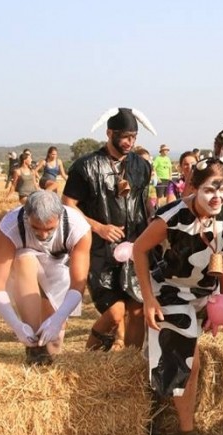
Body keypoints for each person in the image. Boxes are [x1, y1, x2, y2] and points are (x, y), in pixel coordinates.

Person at [134, 158, 223, 435]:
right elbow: (139, 249)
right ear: (193, 188)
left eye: (221, 188)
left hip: (204, 289)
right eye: (209, 191)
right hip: (170, 290)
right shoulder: (170, 217)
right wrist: (149, 299)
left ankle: (170, 410)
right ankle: (186, 431)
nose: (217, 197)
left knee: (189, 359)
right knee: (188, 361)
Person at [62, 107, 156, 351]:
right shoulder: (85, 166)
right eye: (125, 137)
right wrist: (99, 227)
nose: (130, 142)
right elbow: (68, 205)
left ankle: (129, 365)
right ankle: (90, 361)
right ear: (109, 133)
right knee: (115, 314)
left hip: (135, 248)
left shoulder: (142, 166)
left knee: (136, 311)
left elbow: (143, 204)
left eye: (134, 137)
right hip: (99, 250)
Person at [0, 190, 92, 366]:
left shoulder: (78, 227)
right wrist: (16, 325)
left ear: (59, 217)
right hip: (25, 262)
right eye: (35, 228)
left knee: (54, 338)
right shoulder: (10, 226)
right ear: (26, 215)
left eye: (49, 229)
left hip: (59, 265)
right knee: (24, 259)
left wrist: (58, 318)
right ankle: (34, 347)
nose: (43, 235)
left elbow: (78, 283)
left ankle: (48, 354)